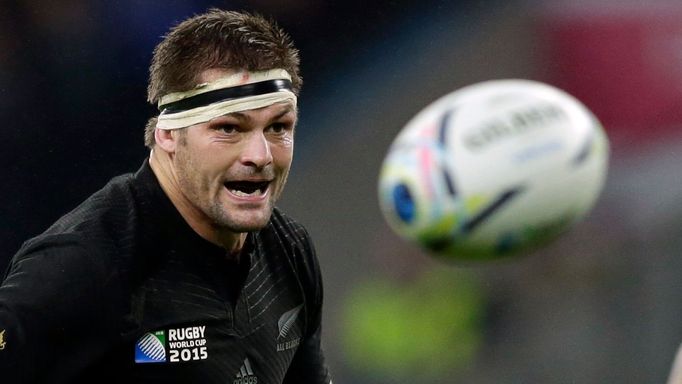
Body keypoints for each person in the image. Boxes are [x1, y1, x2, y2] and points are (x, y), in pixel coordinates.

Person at [0, 8, 332, 384]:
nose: (260, 155)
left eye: (278, 126)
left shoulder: (288, 251)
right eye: (228, 128)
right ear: (168, 134)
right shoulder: (88, 264)